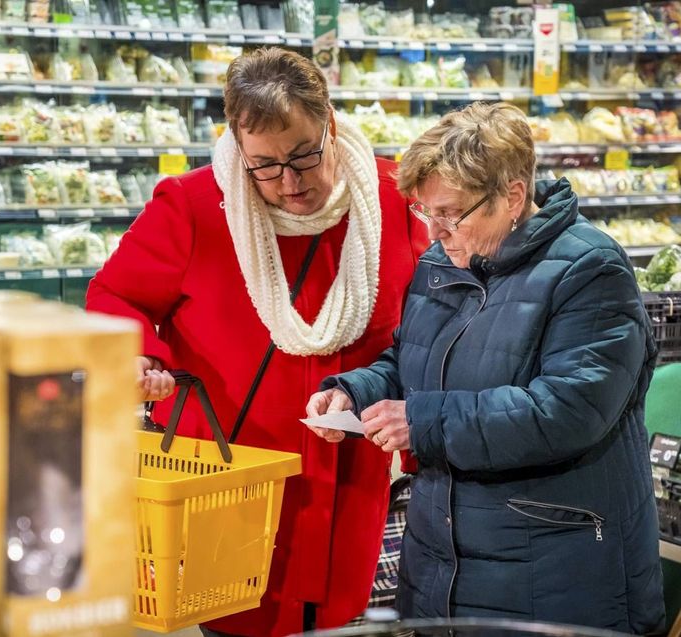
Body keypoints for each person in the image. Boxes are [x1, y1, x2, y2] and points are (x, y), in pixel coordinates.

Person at [86, 47, 429, 637]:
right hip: (233, 481)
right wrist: (142, 356)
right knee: (234, 619)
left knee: (344, 617)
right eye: (264, 166)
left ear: (332, 126)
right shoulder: (194, 207)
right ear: (237, 149)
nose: (289, 183)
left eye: (303, 155)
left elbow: (427, 320)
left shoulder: (390, 197)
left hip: (349, 478)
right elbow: (114, 297)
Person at [306, 102, 666, 634]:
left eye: (451, 213)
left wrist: (422, 421)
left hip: (555, 568)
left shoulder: (591, 270)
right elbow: (411, 364)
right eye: (425, 212)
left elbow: (568, 410)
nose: (435, 231)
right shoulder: (440, 264)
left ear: (513, 196)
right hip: (441, 561)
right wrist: (355, 393)